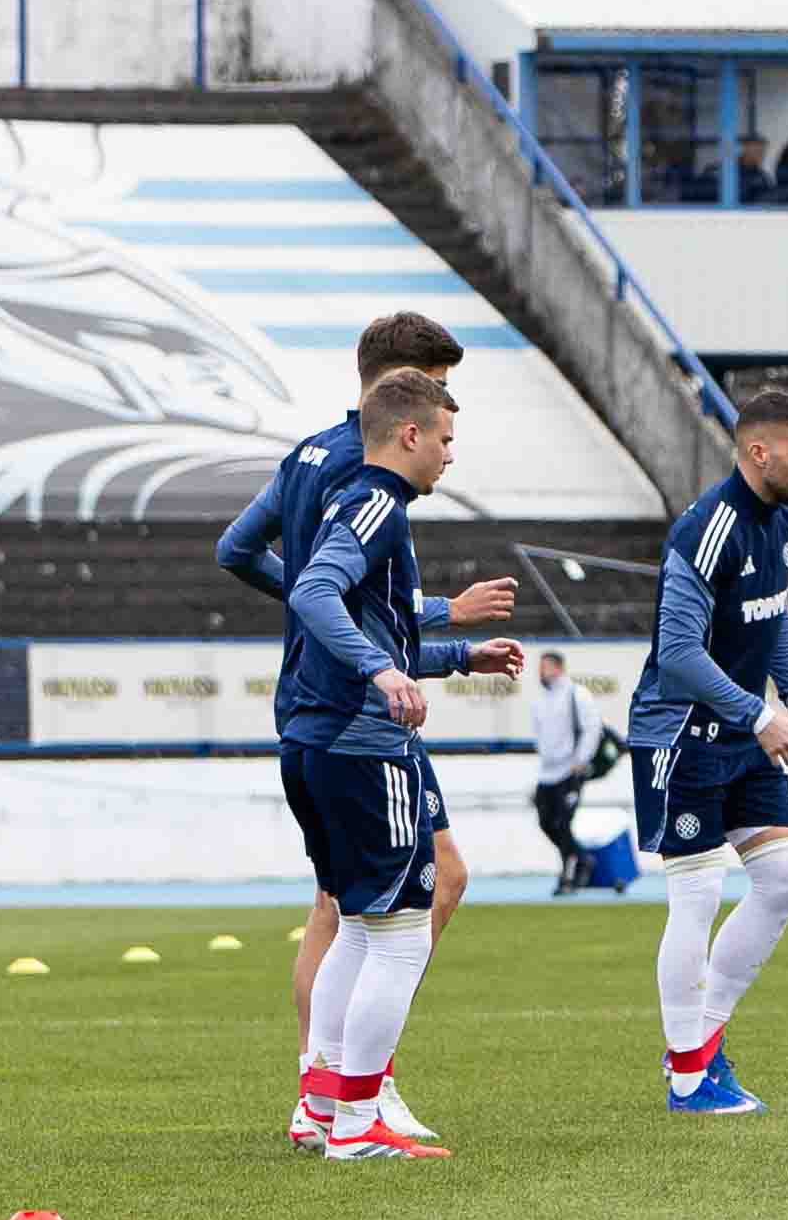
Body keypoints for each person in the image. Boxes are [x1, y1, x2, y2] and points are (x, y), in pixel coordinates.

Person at [214, 311, 515, 1152]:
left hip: (316, 705)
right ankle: (355, 1102)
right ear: (402, 399)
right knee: (378, 917)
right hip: (356, 716)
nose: (452, 426)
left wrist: (437, 649)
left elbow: (240, 552)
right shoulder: (367, 474)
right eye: (443, 399)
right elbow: (327, 585)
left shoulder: (310, 451)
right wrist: (391, 643)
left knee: (373, 904)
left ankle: (330, 1094)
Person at [630, 389, 788, 1118]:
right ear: (759, 453)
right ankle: (689, 1078)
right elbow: (678, 656)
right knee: (699, 893)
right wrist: (757, 715)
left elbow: (769, 616)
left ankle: (697, 1045)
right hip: (681, 734)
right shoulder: (707, 530)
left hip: (740, 735)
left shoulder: (781, 520)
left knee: (786, 879)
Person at [528, 650, 607, 893]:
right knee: (546, 822)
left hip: (569, 771)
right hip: (547, 772)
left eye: (546, 667)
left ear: (559, 668)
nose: (542, 672)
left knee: (563, 823)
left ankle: (569, 874)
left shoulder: (577, 695)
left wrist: (580, 760)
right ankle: (582, 858)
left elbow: (592, 728)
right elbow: (539, 734)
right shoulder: (540, 700)